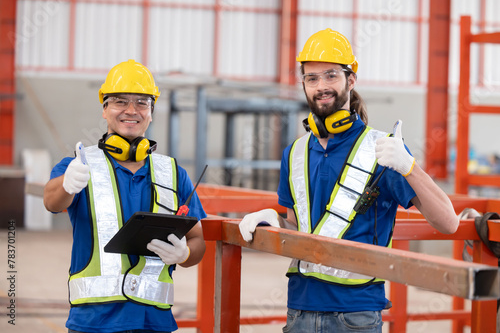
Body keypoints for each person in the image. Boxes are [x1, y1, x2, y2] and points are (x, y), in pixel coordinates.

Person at [238, 29, 458, 333]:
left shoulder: (384, 149)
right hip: (299, 309)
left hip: (356, 315)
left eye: (331, 76)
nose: (321, 86)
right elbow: (299, 229)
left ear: (350, 80)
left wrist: (410, 168)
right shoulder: (295, 152)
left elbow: (448, 222)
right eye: (311, 78)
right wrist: (272, 220)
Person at [43, 59, 206, 333]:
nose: (131, 111)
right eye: (120, 101)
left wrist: (185, 254)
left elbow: (198, 239)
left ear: (152, 112)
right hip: (93, 323)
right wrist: (68, 184)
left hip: (153, 323)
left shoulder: (173, 172)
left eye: (142, 103)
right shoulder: (80, 165)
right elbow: (51, 201)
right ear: (105, 109)